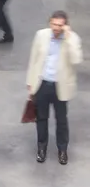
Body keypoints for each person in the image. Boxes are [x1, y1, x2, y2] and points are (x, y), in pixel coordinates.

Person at [26, 11, 82, 165]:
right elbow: (34, 59)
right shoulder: (41, 35)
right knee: (41, 119)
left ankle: (62, 150)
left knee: (61, 120)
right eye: (54, 24)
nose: (56, 28)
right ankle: (41, 148)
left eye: (60, 25)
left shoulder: (72, 38)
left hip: (61, 86)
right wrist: (30, 82)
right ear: (50, 23)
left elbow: (76, 59)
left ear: (65, 25)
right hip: (43, 84)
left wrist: (69, 38)